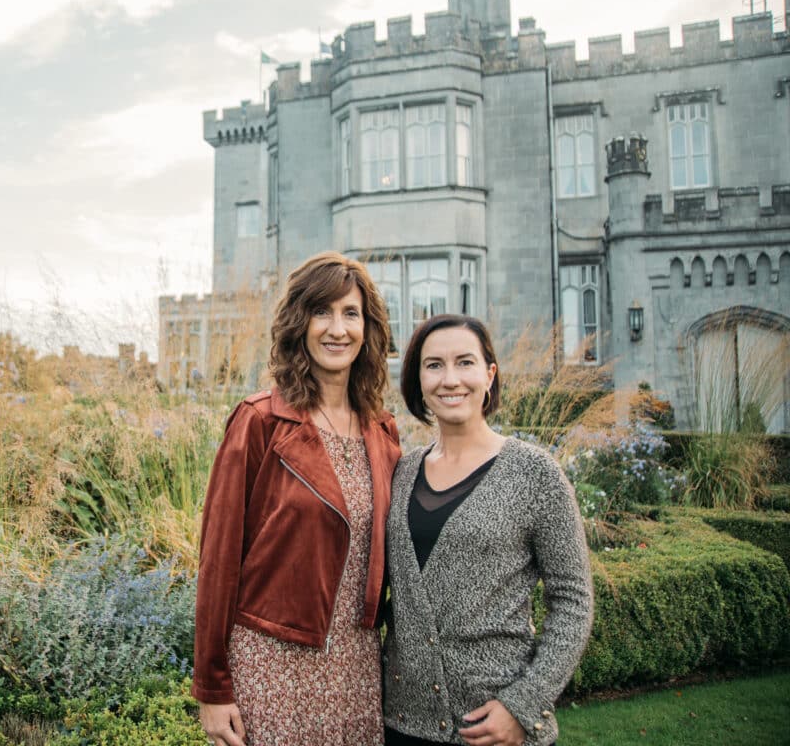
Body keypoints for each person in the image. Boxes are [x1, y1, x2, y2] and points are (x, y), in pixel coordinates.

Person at [194, 252, 402, 746]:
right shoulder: (260, 421)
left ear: (367, 328)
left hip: (355, 665)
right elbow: (217, 560)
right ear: (299, 323)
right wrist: (212, 688)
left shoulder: (383, 430)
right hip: (272, 664)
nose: (337, 328)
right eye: (322, 311)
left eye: (351, 313)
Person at [381, 314, 593, 746]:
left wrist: (524, 705)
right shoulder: (401, 473)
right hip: (404, 724)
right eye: (434, 365)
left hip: (497, 731)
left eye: (465, 362)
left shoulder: (535, 475)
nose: (450, 379)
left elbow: (573, 601)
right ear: (418, 379)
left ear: (489, 374)